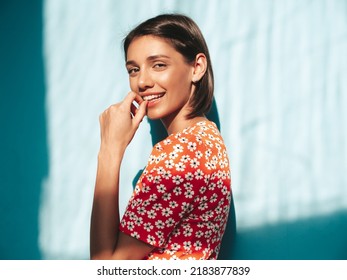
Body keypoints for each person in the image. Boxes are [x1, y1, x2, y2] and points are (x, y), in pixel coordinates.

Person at [90, 13, 232, 260]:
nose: (142, 82)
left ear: (197, 67)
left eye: (158, 65)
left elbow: (104, 266)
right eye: (133, 70)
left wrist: (110, 150)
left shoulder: (180, 152)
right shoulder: (207, 138)